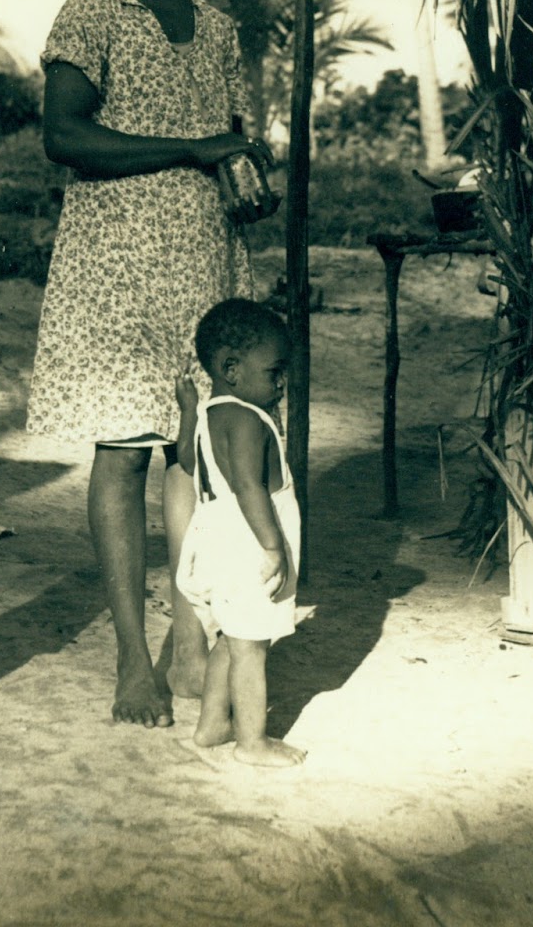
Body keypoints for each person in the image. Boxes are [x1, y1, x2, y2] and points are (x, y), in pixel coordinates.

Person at [28, 0, 273, 728]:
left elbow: (230, 130)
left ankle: (187, 634)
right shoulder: (89, 13)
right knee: (125, 449)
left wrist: (244, 169)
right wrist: (192, 149)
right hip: (114, 265)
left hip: (204, 261)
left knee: (198, 450)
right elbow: (64, 135)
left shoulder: (214, 27)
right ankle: (134, 659)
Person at [174, 298, 304, 767]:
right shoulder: (248, 418)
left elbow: (188, 463)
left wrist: (187, 410)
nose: (282, 382)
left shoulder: (212, 412)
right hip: (249, 541)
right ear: (232, 368)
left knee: (232, 636)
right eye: (274, 372)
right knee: (252, 647)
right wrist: (273, 545)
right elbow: (250, 486)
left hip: (218, 536)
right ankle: (253, 743)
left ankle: (211, 728)